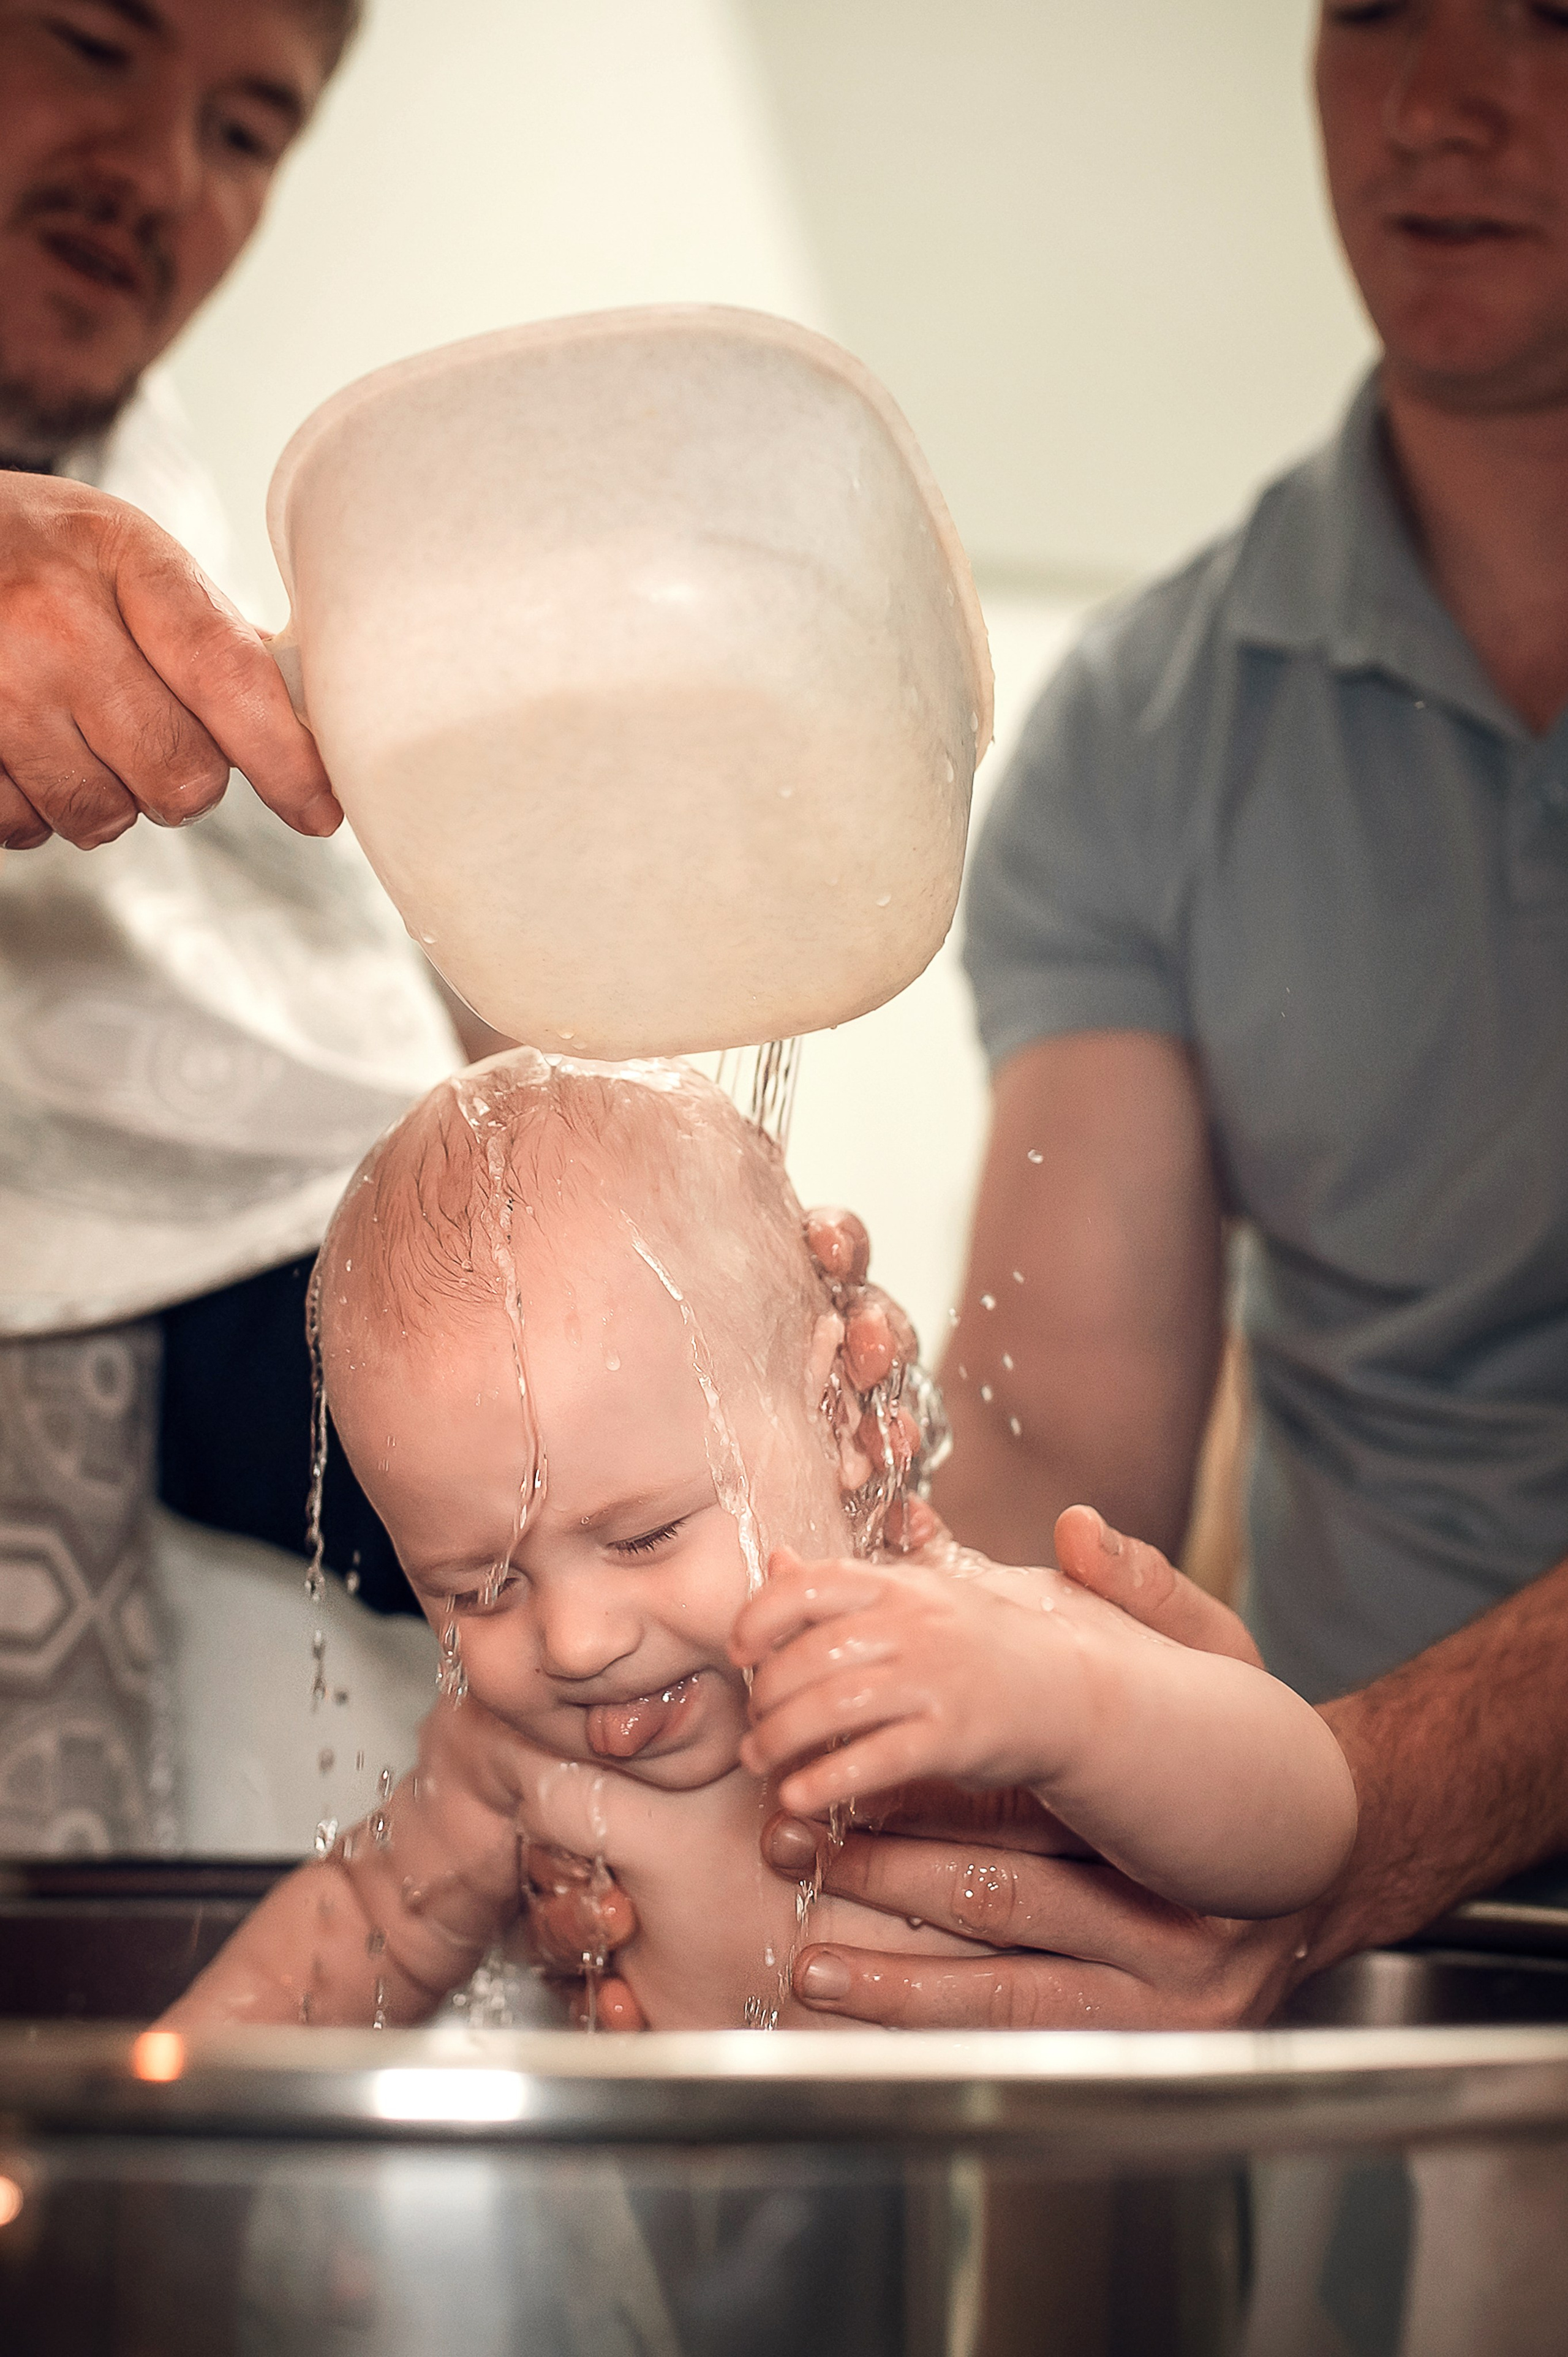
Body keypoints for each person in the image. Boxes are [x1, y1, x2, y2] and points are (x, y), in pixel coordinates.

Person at [709, 0, 1568, 2038]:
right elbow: (1059, 1460)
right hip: (1397, 1974)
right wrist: (850, 1671)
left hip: (1352, 1852)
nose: (1433, 104)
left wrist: (1348, 1815)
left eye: (1541, 11)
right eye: (1372, 7)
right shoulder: (1145, 734)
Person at [164, 1053, 1355, 2032]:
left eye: (643, 1535)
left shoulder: (974, 1653)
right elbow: (348, 1935)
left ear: (834, 1406)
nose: (576, 1639)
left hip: (1005, 2277)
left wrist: (1068, 1708)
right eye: (479, 1586)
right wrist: (162, 2112)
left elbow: (1307, 1823)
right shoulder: (515, 1761)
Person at [0, 0, 463, 1852]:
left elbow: (281, 1379)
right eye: (97, 46)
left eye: (248, 131)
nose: (155, 179)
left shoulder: (263, 686)